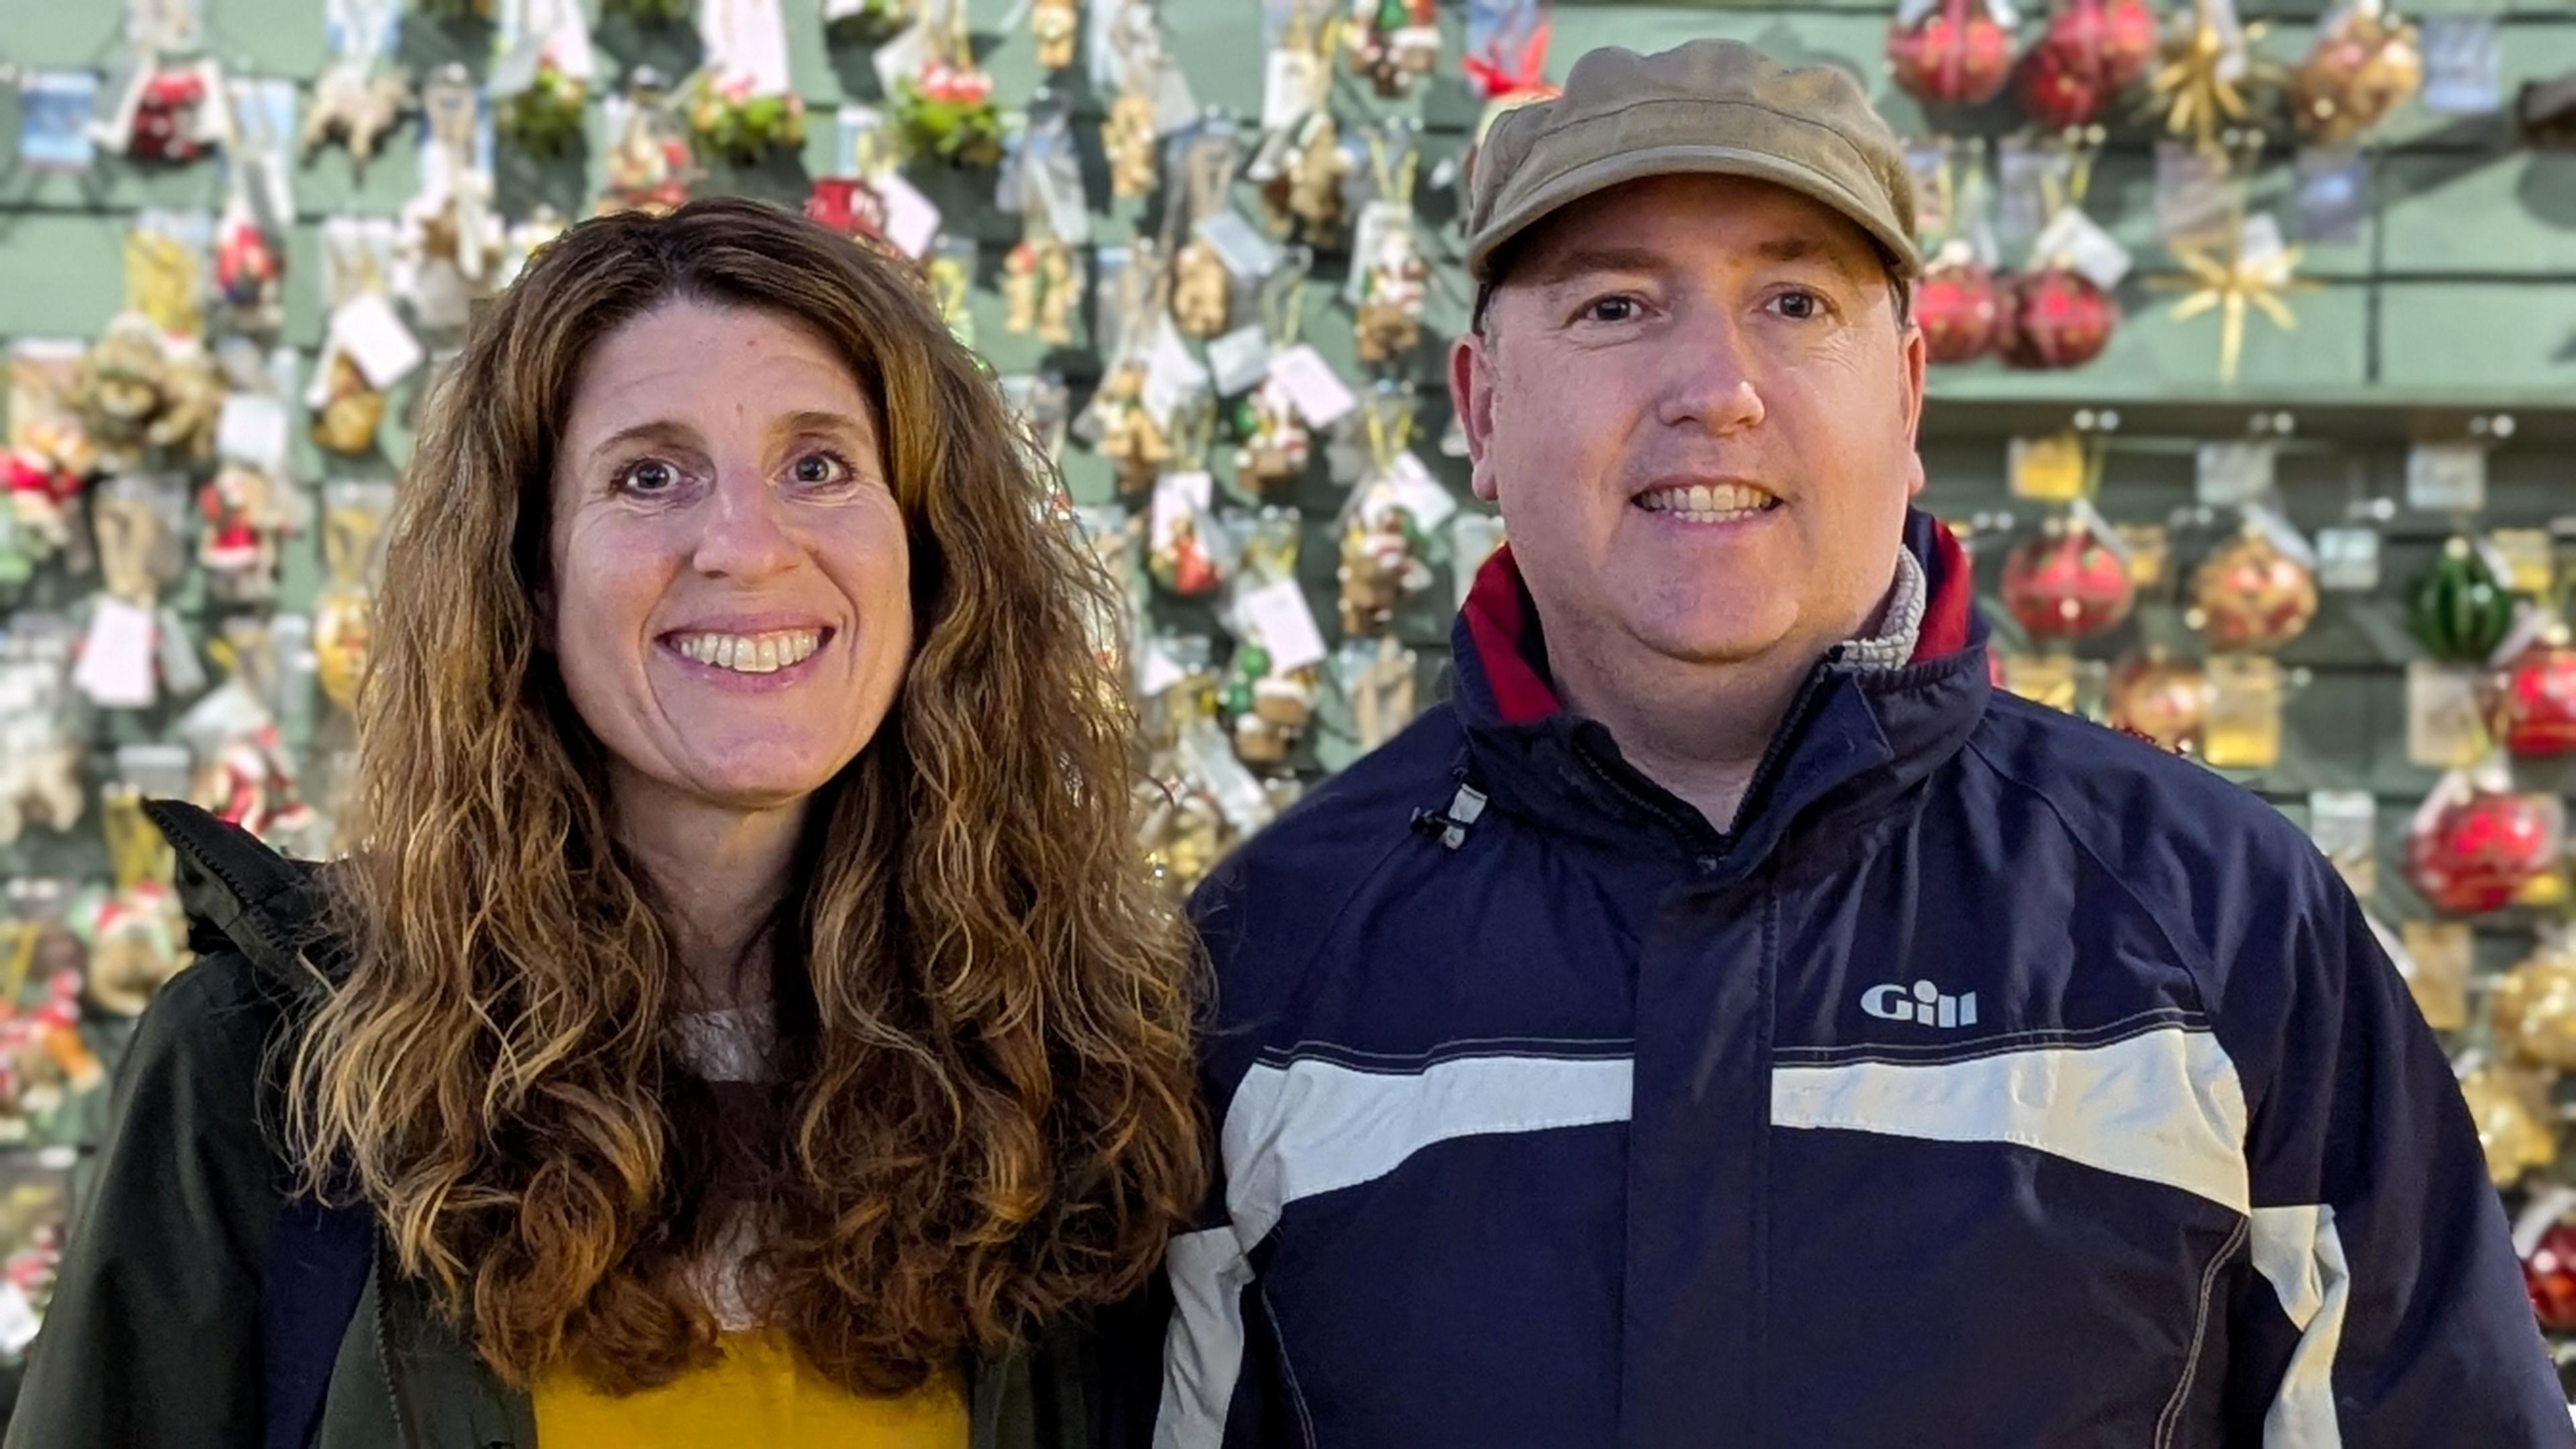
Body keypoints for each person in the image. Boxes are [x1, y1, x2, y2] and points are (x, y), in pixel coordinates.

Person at [1145, 41, 2573, 1448]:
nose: (1717, 384)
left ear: (1907, 394)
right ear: (1480, 408)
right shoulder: (1277, 951)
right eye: (1614, 308)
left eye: (1794, 300)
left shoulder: (2222, 922)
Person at [13, 198, 1204, 1448]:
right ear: (530, 576)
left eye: (818, 465)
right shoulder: (279, 1076)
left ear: (925, 551)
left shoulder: (1074, 1075)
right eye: (649, 475)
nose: (746, 546)